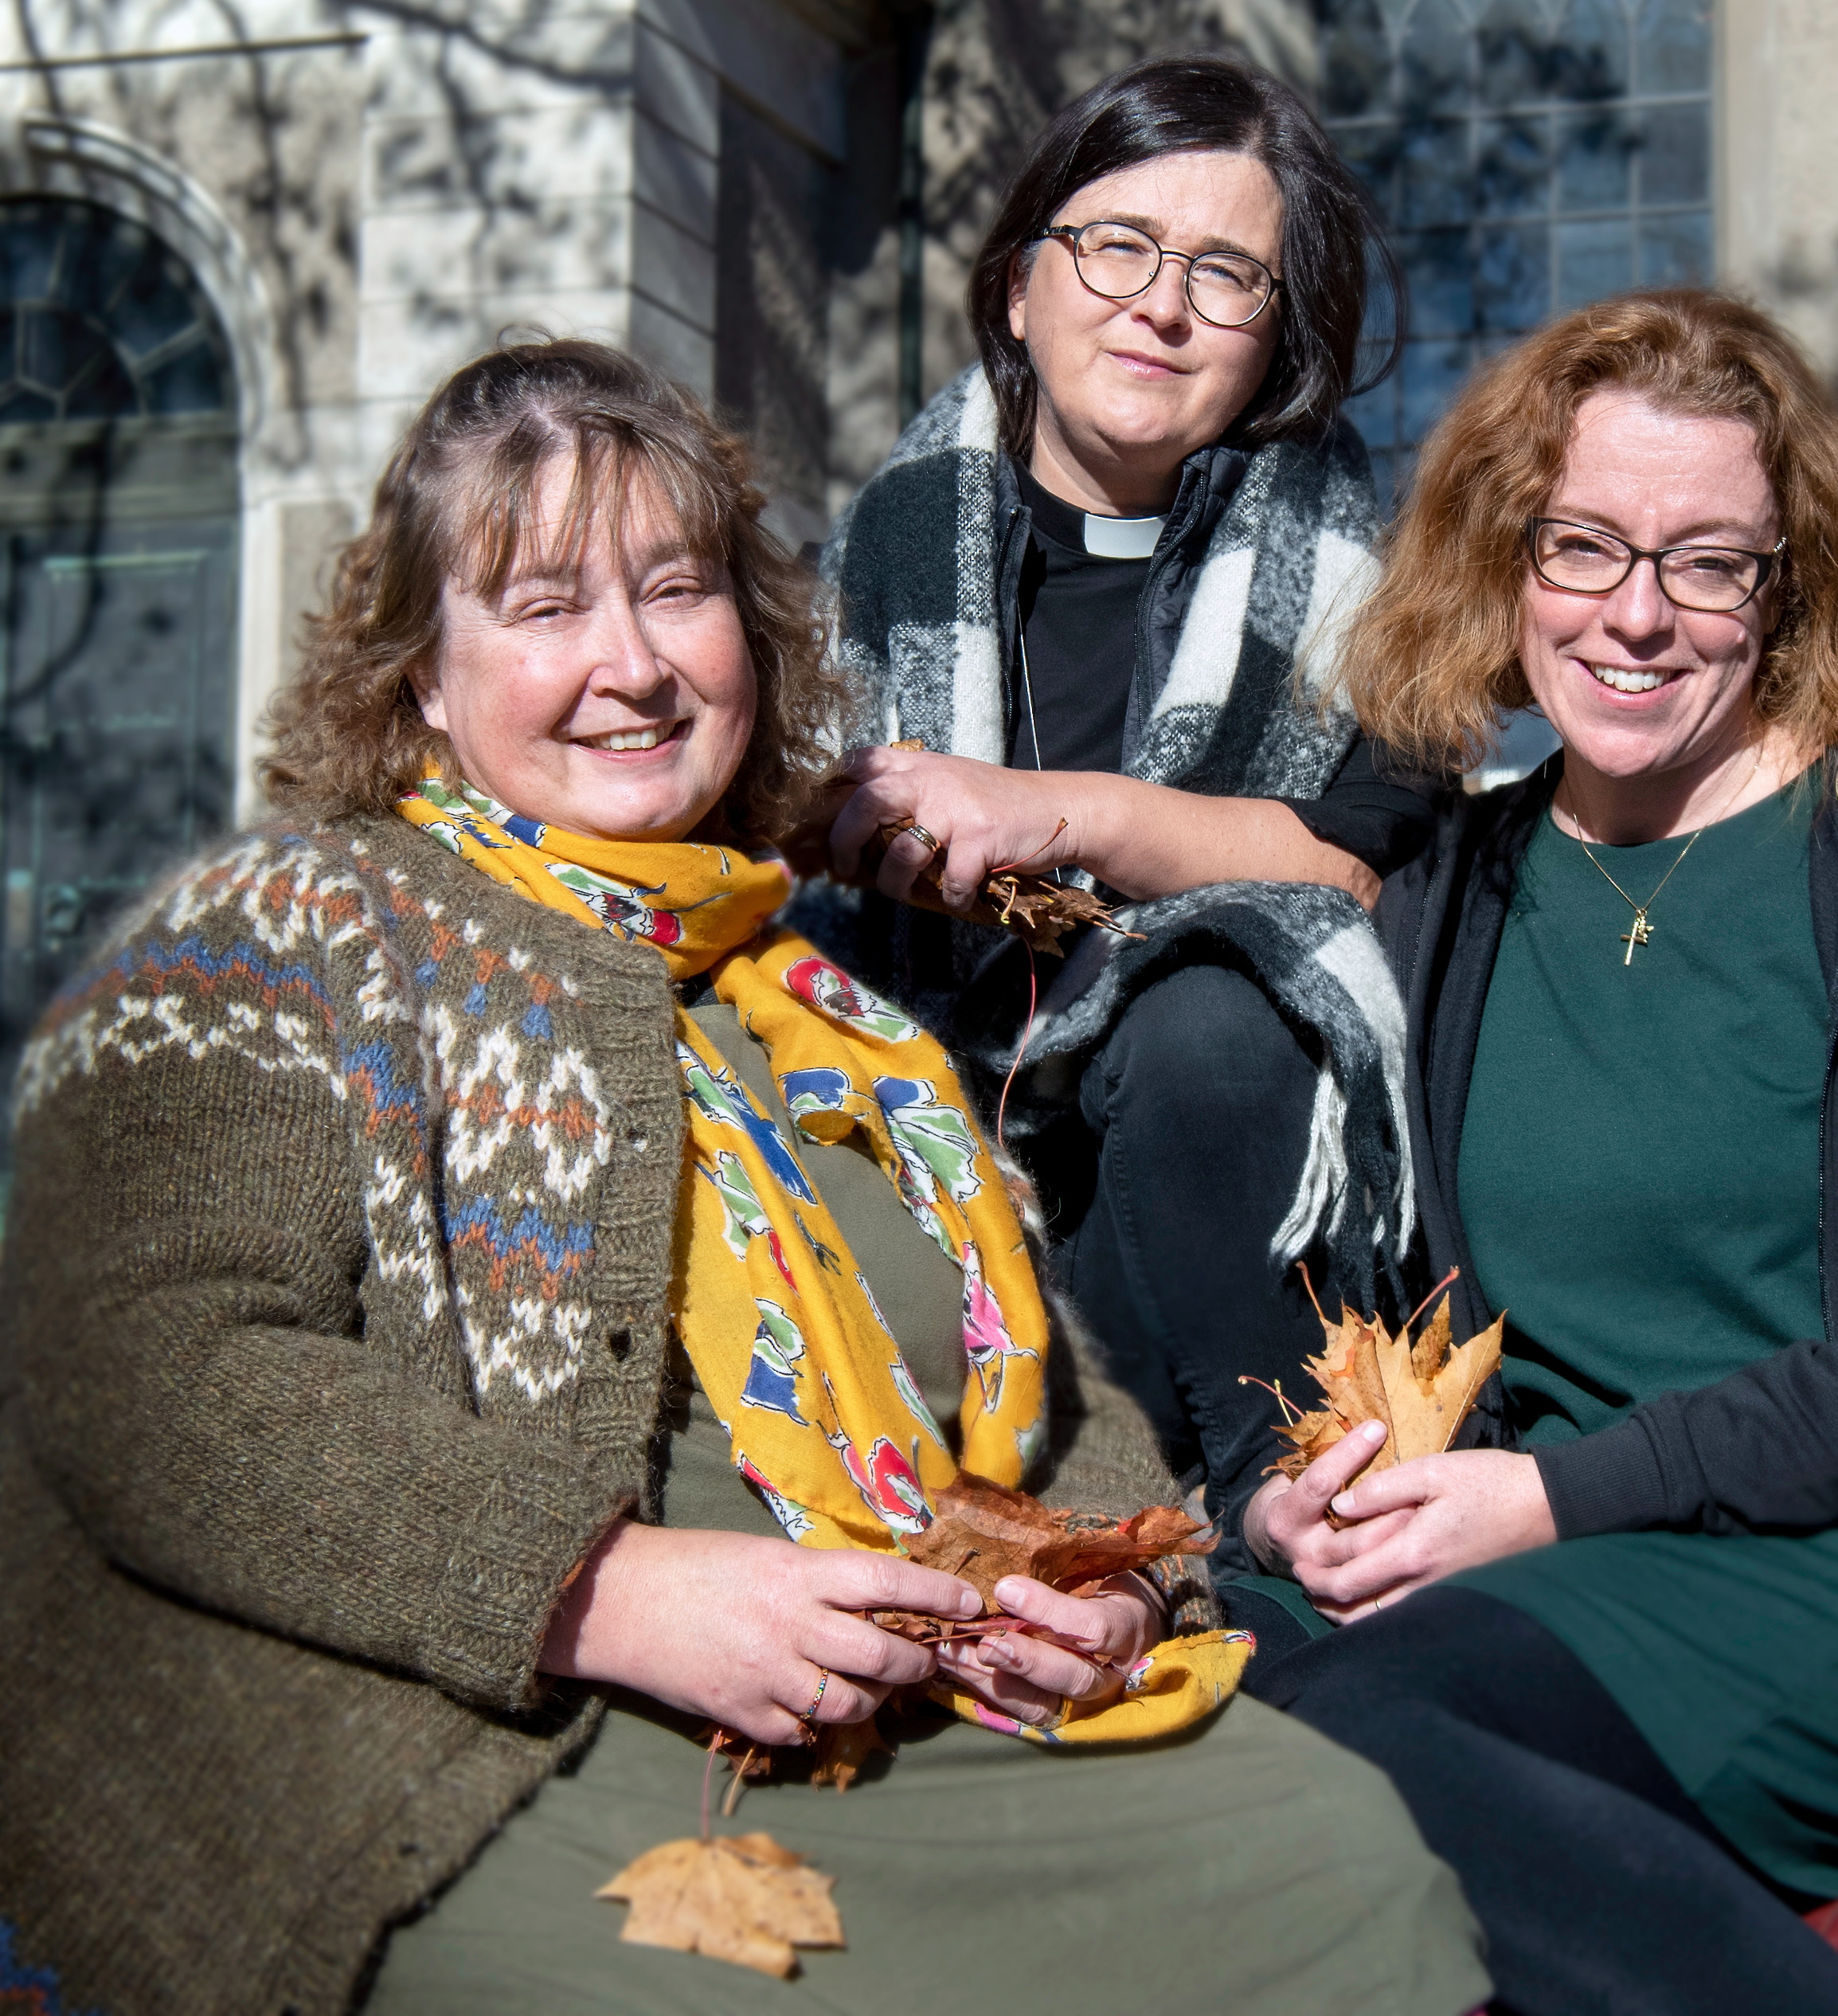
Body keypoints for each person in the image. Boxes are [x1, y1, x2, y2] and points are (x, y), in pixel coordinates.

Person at [0, 339, 1485, 2016]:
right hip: (492, 1732)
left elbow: (1046, 1398)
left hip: (923, 1707)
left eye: (673, 589)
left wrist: (1113, 1588)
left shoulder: (836, 1012)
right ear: (423, 674)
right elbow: (136, 1368)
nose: (627, 664)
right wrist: (598, 1587)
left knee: (1341, 1855)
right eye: (544, 604)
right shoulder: (291, 932)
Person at [1218, 289, 1838, 2016]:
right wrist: (1291, 1486)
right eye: (1586, 542)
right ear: (1503, 555)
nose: (1638, 611)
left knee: (1362, 1743)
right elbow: (1360, 1289)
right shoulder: (1459, 888)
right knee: (1181, 1694)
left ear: (1790, 587)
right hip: (1546, 1557)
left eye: (1710, 563)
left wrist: (1548, 1494)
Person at [821, 57, 1425, 1524]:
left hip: (1206, 1208)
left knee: (1216, 1020)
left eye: (1227, 275)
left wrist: (1058, 812)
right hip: (931, 1151)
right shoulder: (871, 564)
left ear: (1275, 343)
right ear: (1023, 285)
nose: (1161, 303)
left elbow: (1343, 865)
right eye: (1117, 246)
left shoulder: (1369, 591)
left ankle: (1290, 1531)